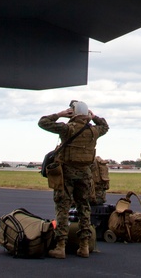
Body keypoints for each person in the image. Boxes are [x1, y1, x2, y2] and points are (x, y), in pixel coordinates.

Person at [38, 100, 109, 259]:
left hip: (66, 174)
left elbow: (43, 122)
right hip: (85, 174)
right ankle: (84, 246)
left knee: (63, 207)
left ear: (73, 113)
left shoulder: (67, 129)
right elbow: (105, 126)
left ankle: (60, 246)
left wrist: (60, 114)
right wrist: (94, 117)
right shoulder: (94, 131)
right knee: (84, 208)